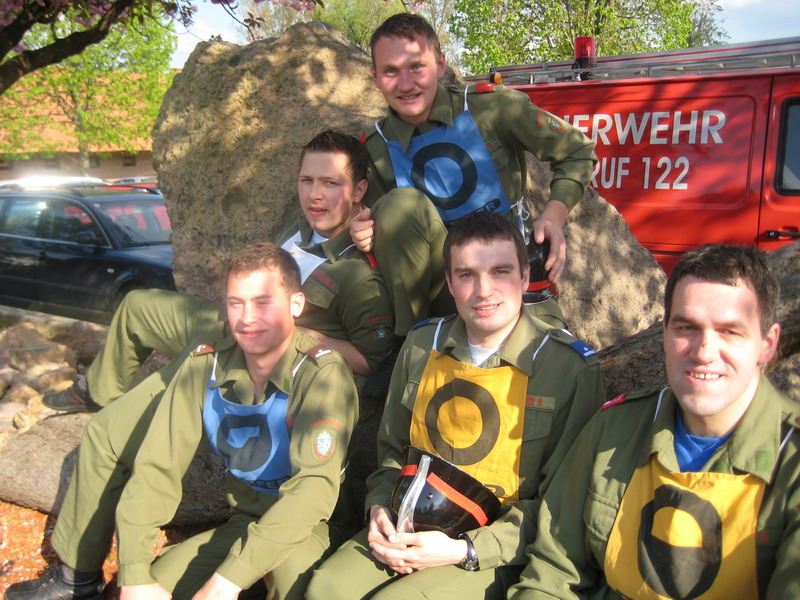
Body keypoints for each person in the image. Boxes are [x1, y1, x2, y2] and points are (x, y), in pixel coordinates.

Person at [6, 242, 360, 600]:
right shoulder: (204, 365)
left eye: (262, 302)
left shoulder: (321, 374)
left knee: (288, 577)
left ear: (295, 304)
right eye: (236, 303)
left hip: (313, 525)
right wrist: (134, 572)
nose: (247, 318)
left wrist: (226, 581)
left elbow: (312, 492)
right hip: (247, 522)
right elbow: (157, 466)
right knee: (160, 582)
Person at [306, 213, 607, 600]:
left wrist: (464, 549)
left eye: (500, 272)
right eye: (466, 275)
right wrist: (379, 509)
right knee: (326, 589)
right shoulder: (421, 345)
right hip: (408, 524)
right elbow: (392, 451)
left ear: (524, 278)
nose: (484, 291)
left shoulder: (569, 369)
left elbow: (561, 504)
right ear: (449, 283)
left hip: (496, 547)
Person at [508, 243, 800, 599]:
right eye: (686, 327)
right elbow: (554, 570)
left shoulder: (792, 462)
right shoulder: (615, 429)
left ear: (768, 343)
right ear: (664, 332)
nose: (704, 352)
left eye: (730, 331)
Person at [44, 129, 397, 413]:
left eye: (330, 183)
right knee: (138, 306)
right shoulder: (301, 220)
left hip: (263, 353)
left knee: (152, 401)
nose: (314, 195)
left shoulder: (358, 270)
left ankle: (126, 421)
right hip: (230, 323)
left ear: (359, 191)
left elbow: (368, 361)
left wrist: (293, 331)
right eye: (307, 180)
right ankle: (96, 393)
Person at [351, 13, 598, 335]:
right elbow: (363, 219)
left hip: (508, 272)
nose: (406, 84)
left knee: (553, 353)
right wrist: (360, 228)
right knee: (400, 206)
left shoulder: (491, 108)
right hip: (440, 288)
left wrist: (553, 217)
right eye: (391, 71)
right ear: (374, 75)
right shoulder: (375, 148)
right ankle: (413, 343)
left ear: (440, 65)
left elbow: (577, 150)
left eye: (417, 67)